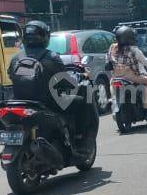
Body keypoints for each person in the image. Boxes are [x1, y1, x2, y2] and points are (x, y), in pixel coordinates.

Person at [8, 20, 98, 157]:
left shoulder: (16, 57)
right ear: (45, 36)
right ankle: (82, 140)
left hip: (18, 102)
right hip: (47, 103)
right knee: (83, 102)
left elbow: (11, 75)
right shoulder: (51, 56)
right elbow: (67, 82)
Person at [108, 26, 147, 112]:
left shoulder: (112, 47)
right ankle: (146, 104)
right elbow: (138, 65)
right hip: (129, 76)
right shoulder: (133, 49)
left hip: (116, 75)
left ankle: (114, 100)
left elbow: (108, 60)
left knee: (111, 84)